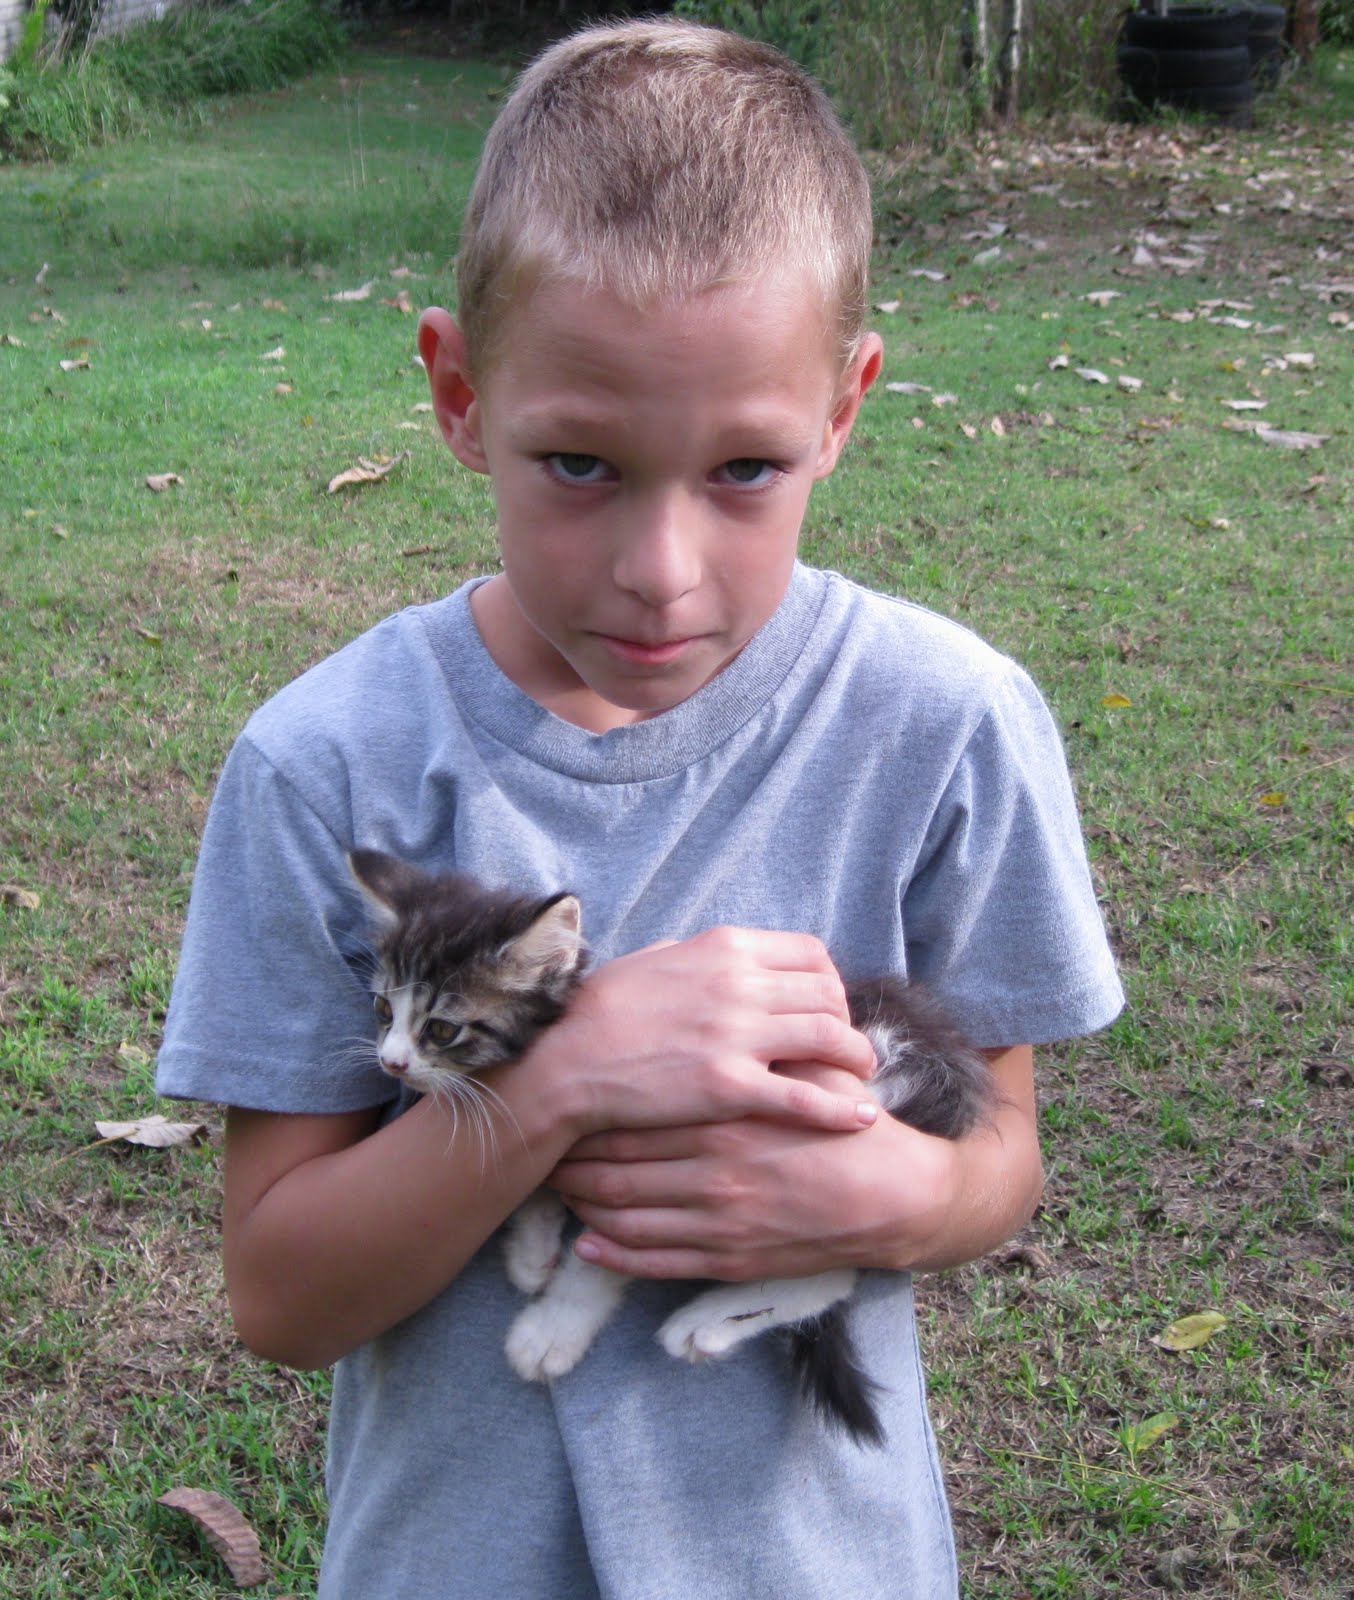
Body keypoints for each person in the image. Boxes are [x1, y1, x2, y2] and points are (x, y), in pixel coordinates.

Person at [156, 18, 1123, 1598]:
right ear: (459, 396)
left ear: (843, 409)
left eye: (742, 470)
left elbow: (999, 1157)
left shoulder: (944, 725)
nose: (660, 573)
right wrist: (564, 1077)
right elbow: (281, 1297)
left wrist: (905, 1194)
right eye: (579, 465)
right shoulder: (324, 764)